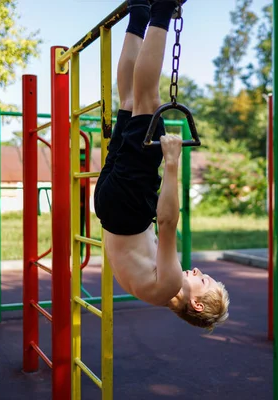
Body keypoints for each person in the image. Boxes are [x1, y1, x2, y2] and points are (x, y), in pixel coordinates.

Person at [94, 0, 229, 331]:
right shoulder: (151, 291)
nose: (197, 272)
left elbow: (167, 222)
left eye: (204, 280)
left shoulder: (168, 285)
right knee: (129, 102)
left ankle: (160, 9)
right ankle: (140, 12)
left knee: (149, 101)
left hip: (128, 207)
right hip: (111, 206)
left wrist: (171, 163)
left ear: (195, 303)